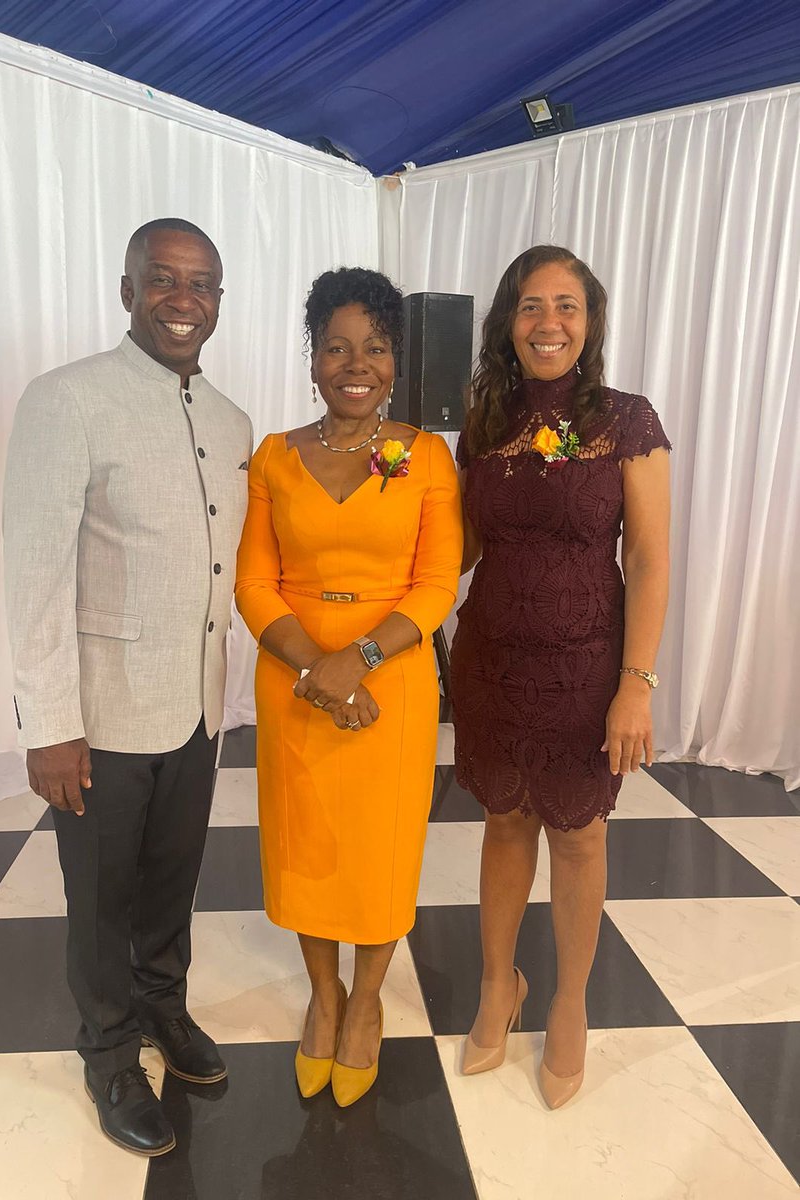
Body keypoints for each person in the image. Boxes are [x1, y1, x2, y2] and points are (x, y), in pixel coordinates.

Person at [2, 218, 252, 1155]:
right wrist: (49, 725)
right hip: (99, 714)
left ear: (219, 303)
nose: (182, 300)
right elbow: (34, 574)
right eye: (163, 279)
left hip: (195, 707)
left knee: (172, 882)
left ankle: (163, 1009)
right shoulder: (67, 401)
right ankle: (108, 1051)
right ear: (127, 289)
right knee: (101, 896)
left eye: (201, 286)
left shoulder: (231, 422)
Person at [235, 268, 462, 1107]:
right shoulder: (273, 455)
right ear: (312, 358)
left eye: (373, 347)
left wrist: (354, 661)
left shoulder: (427, 457)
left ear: (395, 362)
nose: (354, 363)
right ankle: (322, 998)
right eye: (336, 346)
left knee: (379, 851)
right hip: (292, 679)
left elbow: (437, 583)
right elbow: (255, 584)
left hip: (392, 683)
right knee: (310, 846)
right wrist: (313, 667)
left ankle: (366, 1004)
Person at [451, 245, 670, 1108]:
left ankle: (570, 1001)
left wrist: (637, 683)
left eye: (568, 306)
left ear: (591, 320)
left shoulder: (628, 420)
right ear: (509, 322)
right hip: (493, 660)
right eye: (532, 306)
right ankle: (498, 985)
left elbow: (649, 560)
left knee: (578, 836)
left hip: (587, 667)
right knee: (506, 824)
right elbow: (465, 549)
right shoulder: (482, 422)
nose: (550, 323)